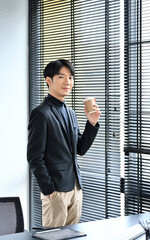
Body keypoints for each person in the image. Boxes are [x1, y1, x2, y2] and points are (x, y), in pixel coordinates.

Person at [27, 59, 101, 228]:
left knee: (71, 236)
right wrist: (50, 191)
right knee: (53, 237)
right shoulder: (41, 113)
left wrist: (91, 123)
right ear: (49, 80)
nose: (68, 82)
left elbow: (80, 149)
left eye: (70, 77)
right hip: (56, 192)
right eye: (61, 76)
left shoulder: (71, 113)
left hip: (75, 188)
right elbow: (34, 157)